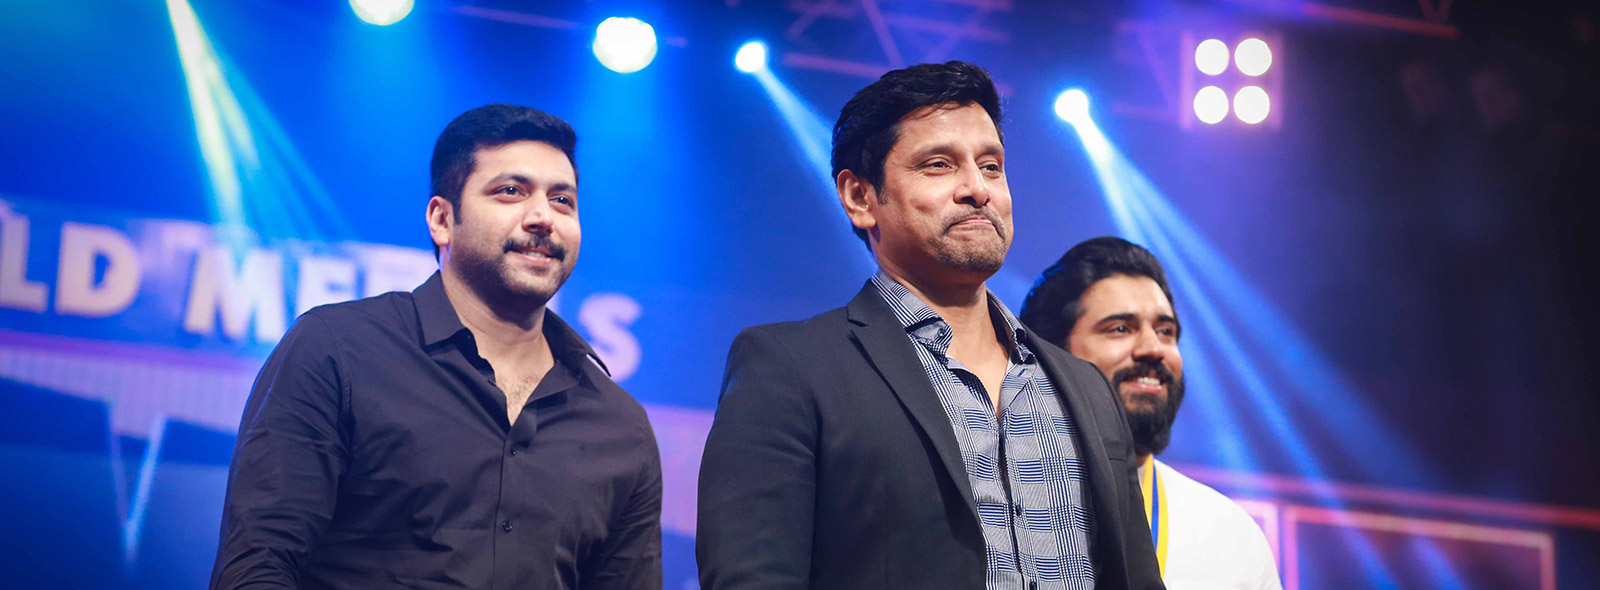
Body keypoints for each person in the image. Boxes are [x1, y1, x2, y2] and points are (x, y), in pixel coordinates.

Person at [697, 62, 1164, 590]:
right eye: (939, 165)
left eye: (991, 166)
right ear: (860, 198)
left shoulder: (1084, 386)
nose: (977, 189)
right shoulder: (791, 368)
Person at [210, 104, 662, 590]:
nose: (542, 217)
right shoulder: (338, 350)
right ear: (442, 219)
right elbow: (256, 566)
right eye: (511, 191)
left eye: (562, 201)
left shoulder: (619, 424)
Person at [1020, 236, 1281, 590]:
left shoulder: (1230, 537)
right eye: (1120, 329)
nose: (1153, 349)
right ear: (1050, 354)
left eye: (1165, 331)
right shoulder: (993, 507)